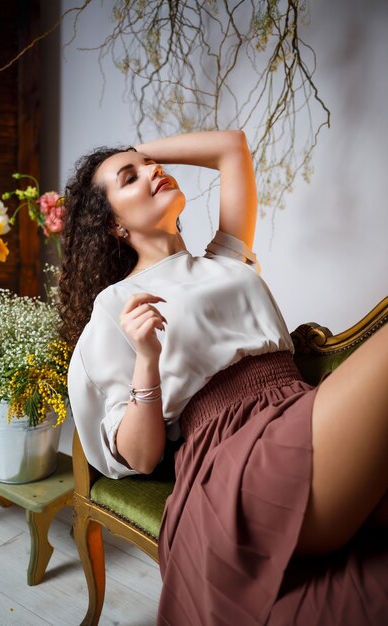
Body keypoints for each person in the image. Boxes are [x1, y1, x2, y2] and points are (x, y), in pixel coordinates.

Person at [60, 131, 388, 625]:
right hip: (239, 456)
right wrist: (146, 358)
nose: (152, 172)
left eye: (151, 165)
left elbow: (231, 147)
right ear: (113, 225)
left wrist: (139, 155)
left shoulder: (223, 261)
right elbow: (140, 455)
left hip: (297, 409)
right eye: (130, 178)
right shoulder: (115, 305)